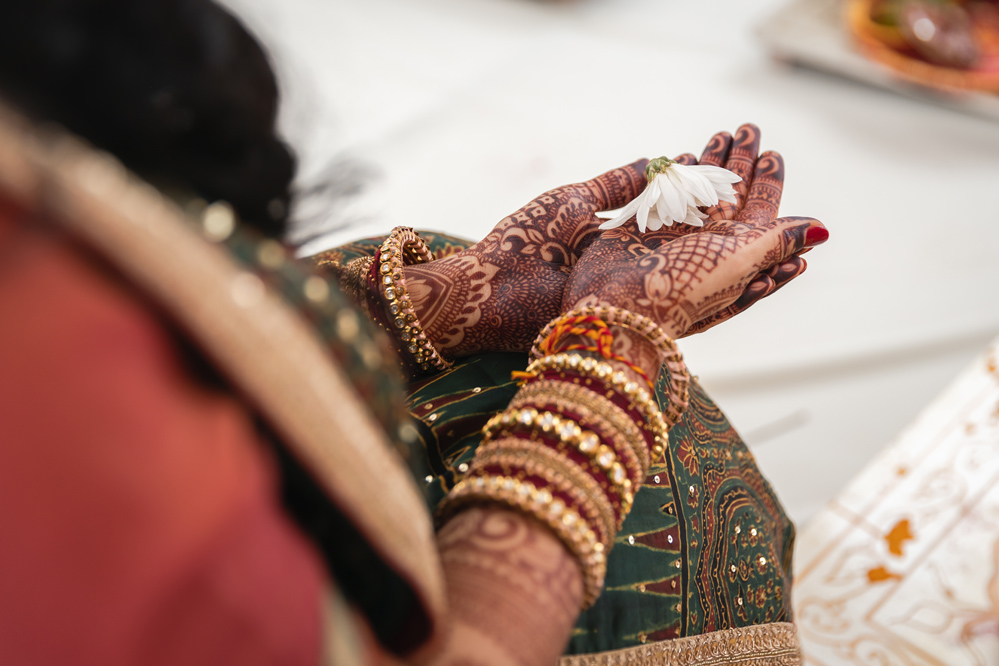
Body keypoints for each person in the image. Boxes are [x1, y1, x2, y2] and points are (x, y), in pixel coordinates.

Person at [0, 1, 828, 664]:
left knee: (444, 283)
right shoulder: (74, 431)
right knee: (672, 486)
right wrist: (614, 345)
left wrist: (448, 300)